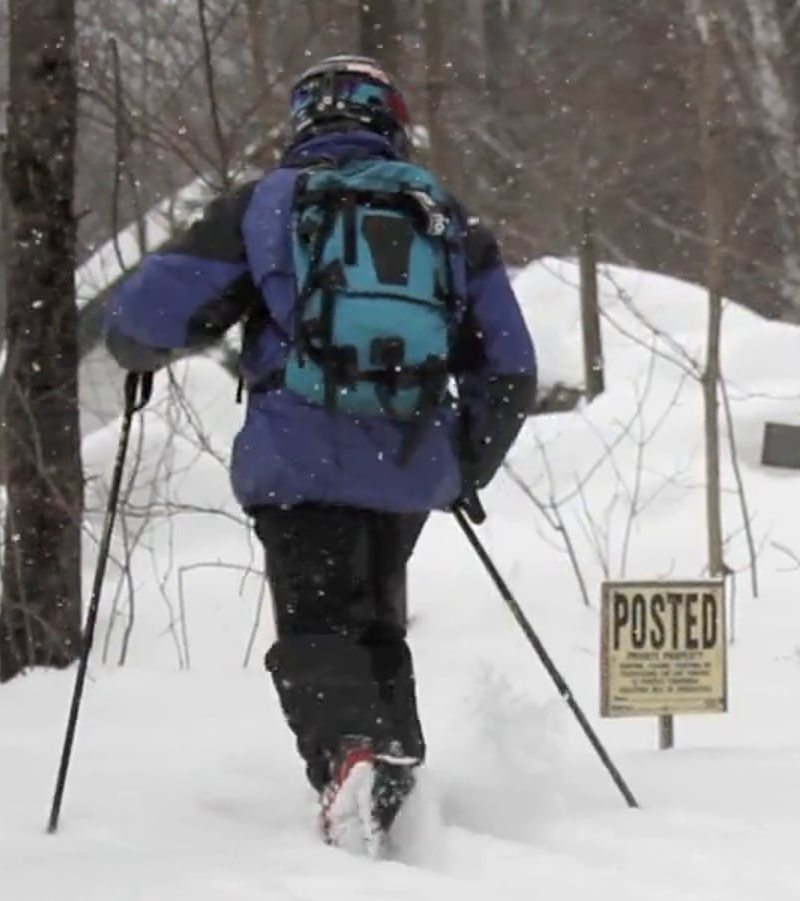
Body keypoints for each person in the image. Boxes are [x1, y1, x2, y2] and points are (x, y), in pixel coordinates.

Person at [103, 56, 538, 850]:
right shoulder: (446, 219)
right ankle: (396, 772)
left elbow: (143, 318)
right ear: (391, 122)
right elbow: (510, 369)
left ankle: (354, 759)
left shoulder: (264, 206)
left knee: (317, 627)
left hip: (298, 461)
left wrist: (146, 347)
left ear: (304, 122)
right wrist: (465, 463)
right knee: (375, 620)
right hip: (408, 465)